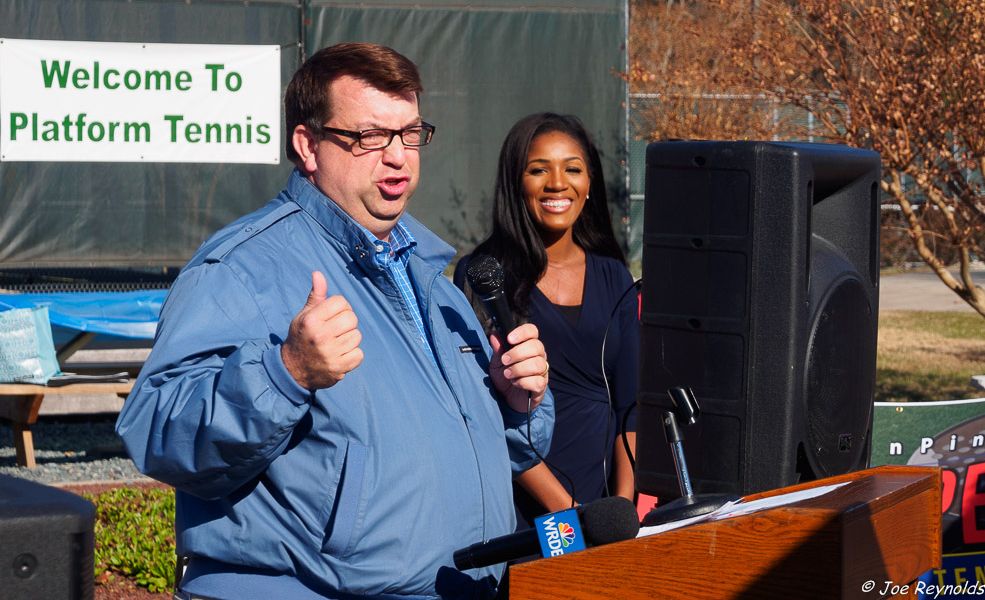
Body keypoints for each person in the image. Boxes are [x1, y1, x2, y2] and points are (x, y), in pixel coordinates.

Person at [115, 42, 554, 600]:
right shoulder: (243, 267)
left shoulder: (430, 278)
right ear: (308, 145)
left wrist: (517, 405)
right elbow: (156, 430)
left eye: (410, 133)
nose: (398, 156)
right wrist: (284, 374)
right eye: (370, 136)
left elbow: (491, 454)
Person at [455, 112, 638, 531]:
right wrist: (568, 512)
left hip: (602, 508)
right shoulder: (483, 274)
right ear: (516, 183)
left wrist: (618, 512)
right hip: (522, 508)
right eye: (539, 170)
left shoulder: (615, 276)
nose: (558, 183)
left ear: (589, 183)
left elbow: (631, 408)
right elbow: (486, 414)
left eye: (573, 169)